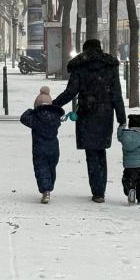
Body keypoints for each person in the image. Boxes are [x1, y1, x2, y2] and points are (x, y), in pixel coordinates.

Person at [53, 39, 126, 203]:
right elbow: (117, 95)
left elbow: (70, 92)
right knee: (101, 151)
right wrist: (122, 118)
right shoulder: (109, 66)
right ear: (100, 48)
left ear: (85, 50)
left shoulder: (80, 66)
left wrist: (54, 105)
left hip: (87, 113)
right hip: (105, 113)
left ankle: (97, 190)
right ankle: (101, 190)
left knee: (91, 152)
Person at [20, 86, 65, 204]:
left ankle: (46, 190)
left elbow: (23, 117)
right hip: (54, 149)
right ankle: (49, 186)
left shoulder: (35, 119)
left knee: (41, 169)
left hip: (39, 149)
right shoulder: (55, 118)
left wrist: (32, 110)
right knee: (51, 169)